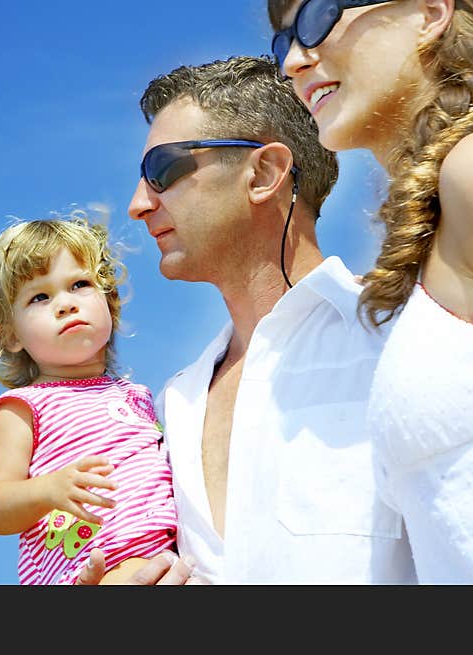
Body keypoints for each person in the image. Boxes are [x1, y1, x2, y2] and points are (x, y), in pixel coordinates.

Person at [78, 55, 416, 584]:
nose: (138, 204)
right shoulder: (172, 407)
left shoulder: (406, 335)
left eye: (162, 170)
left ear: (264, 173)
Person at [267, 0, 473, 582]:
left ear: (431, 12)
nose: (294, 62)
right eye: (283, 42)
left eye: (315, 18)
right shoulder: (431, 249)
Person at [0, 214, 178, 585]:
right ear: (11, 334)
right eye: (40, 297)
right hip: (93, 571)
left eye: (80, 284)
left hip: (171, 557)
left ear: (109, 304)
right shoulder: (22, 408)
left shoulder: (141, 398)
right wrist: (48, 489)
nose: (64, 304)